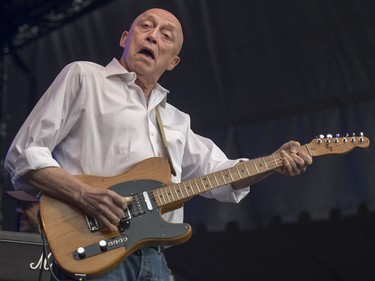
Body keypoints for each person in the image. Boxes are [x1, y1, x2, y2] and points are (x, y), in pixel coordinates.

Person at [4, 8, 312, 281]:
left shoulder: (176, 120)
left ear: (173, 61)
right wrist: (86, 196)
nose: (153, 37)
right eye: (145, 27)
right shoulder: (84, 77)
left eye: (166, 35)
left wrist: (272, 162)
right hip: (94, 247)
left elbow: (221, 173)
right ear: (126, 38)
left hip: (154, 259)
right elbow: (24, 155)